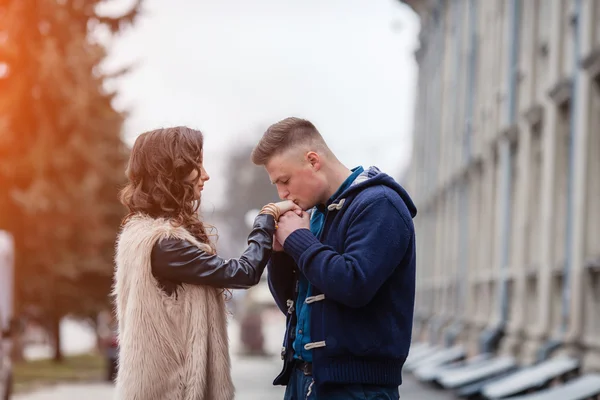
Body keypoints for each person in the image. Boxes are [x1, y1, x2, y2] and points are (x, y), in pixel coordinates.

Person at [113, 126, 299, 400]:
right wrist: (266, 219)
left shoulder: (141, 234)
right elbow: (243, 273)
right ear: (171, 172)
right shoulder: (163, 243)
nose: (205, 175)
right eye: (196, 165)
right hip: (170, 391)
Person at [251, 117, 417, 400]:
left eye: (285, 180)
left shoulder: (380, 204)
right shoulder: (316, 215)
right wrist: (280, 256)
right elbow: (294, 307)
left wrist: (298, 241)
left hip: (357, 390)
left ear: (313, 160)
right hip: (303, 381)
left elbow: (353, 285)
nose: (282, 194)